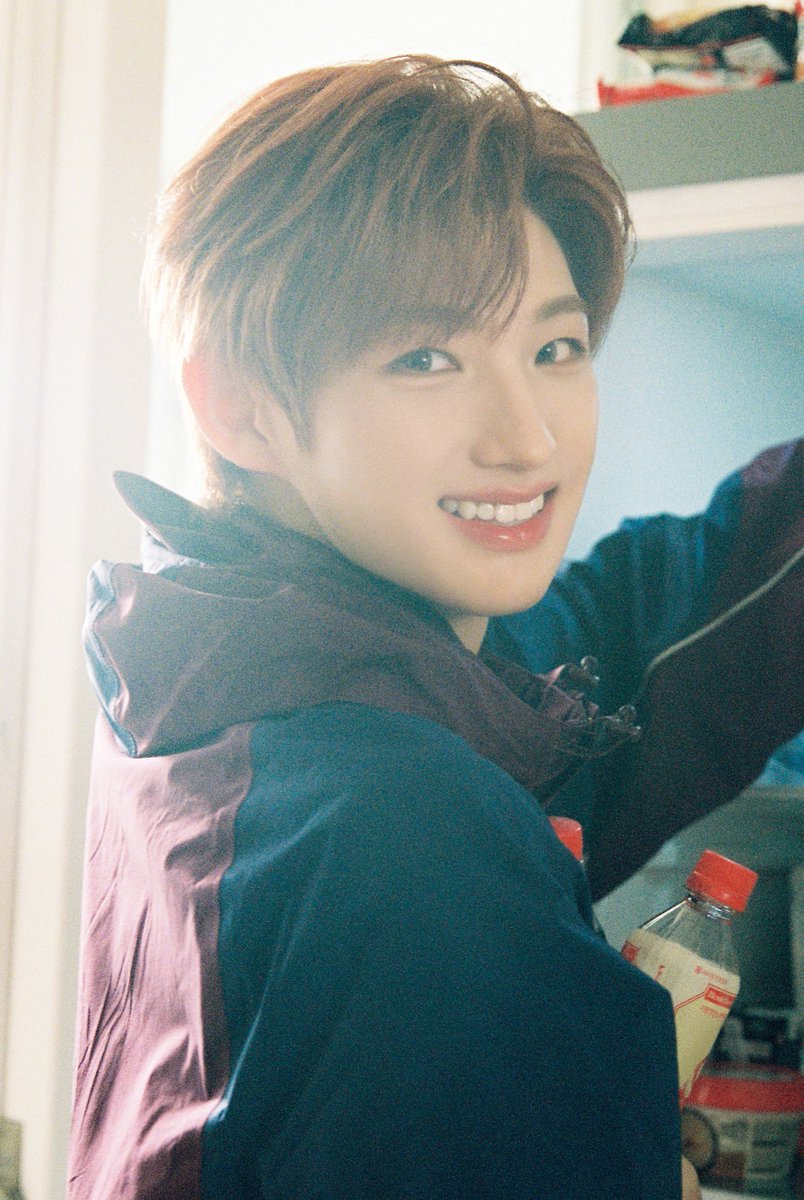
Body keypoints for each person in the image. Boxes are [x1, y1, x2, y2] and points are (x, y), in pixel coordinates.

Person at [68, 55, 801, 1200]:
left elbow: (629, 636)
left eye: (555, 349)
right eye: (428, 358)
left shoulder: (221, 676)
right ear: (240, 404)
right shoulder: (405, 823)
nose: (527, 438)